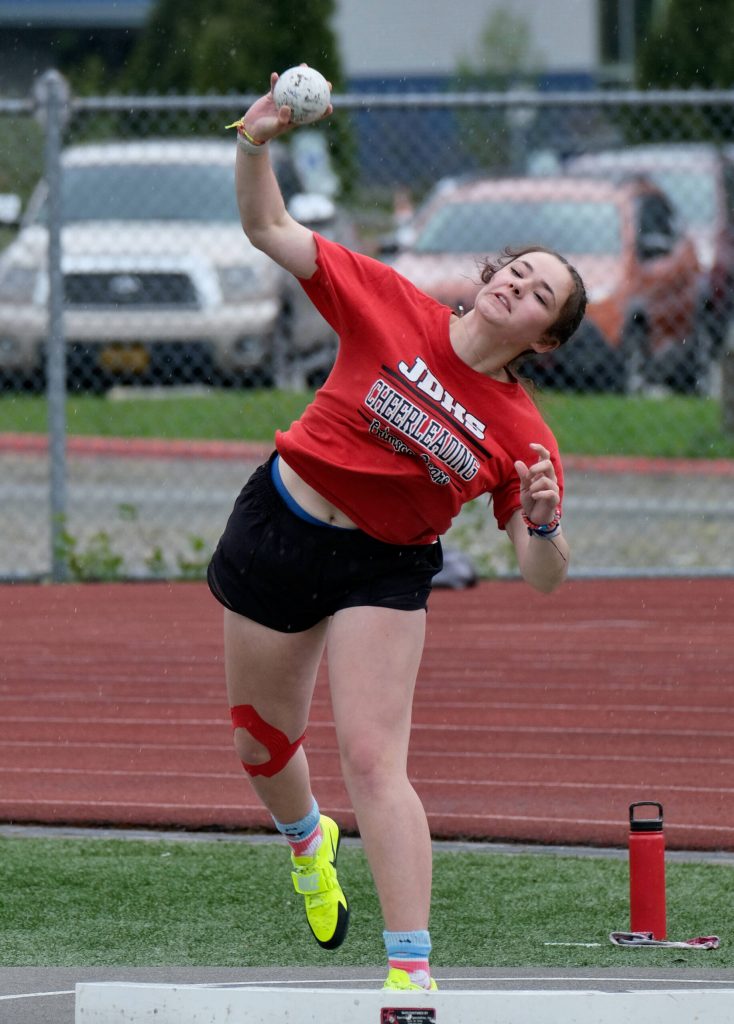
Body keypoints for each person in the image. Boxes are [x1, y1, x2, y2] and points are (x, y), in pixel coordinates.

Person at [208, 71, 587, 993]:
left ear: (545, 338)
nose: (518, 288)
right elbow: (268, 230)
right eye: (517, 271)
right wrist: (255, 141)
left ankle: (410, 978)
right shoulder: (388, 302)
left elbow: (542, 577)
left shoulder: (522, 433)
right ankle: (306, 840)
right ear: (490, 273)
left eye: (540, 295)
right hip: (281, 522)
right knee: (261, 742)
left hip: (384, 568)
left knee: (375, 759)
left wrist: (541, 525)